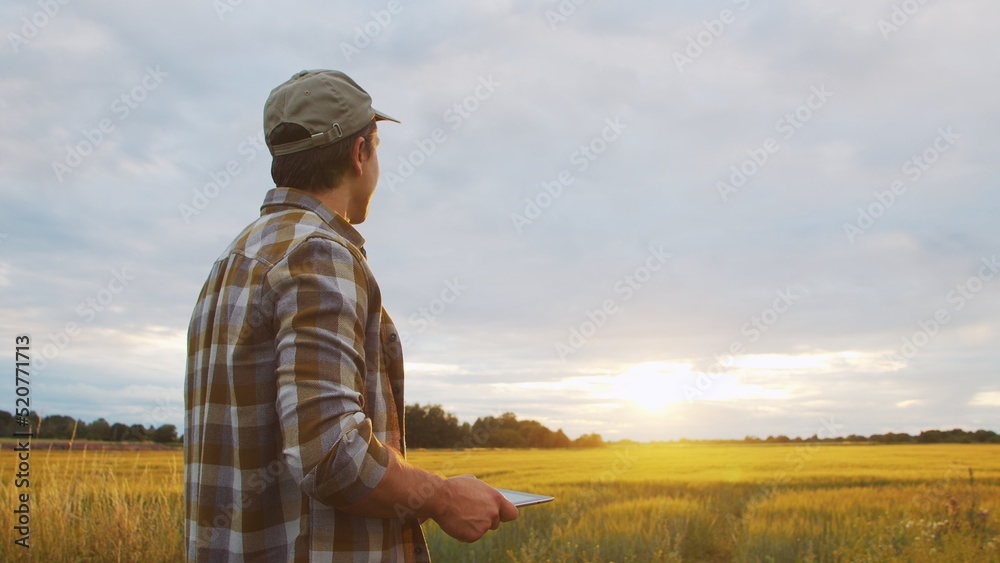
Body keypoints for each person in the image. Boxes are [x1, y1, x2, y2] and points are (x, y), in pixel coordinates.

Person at [184, 69, 518, 562]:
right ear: (360, 152)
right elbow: (333, 454)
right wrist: (443, 497)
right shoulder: (319, 253)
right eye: (377, 146)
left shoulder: (232, 261)